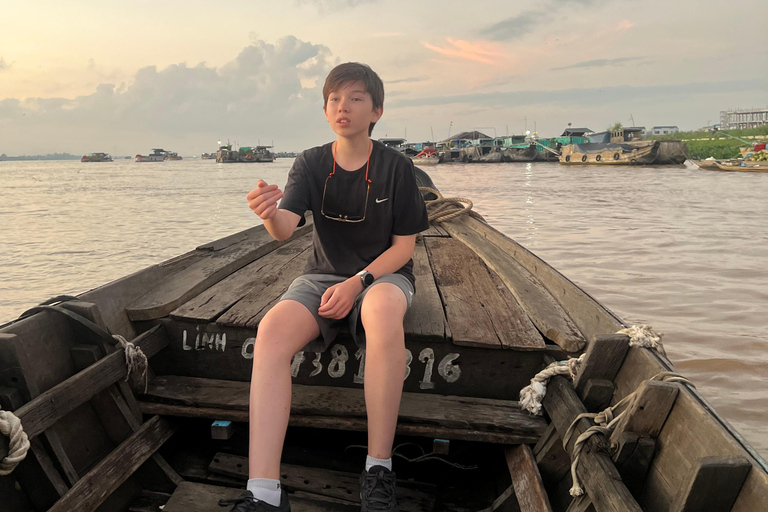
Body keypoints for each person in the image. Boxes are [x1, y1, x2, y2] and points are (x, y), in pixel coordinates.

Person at [221, 62, 429, 512]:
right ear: (324, 108)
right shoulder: (311, 163)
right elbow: (284, 229)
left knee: (379, 314)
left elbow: (404, 248)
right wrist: (266, 213)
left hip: (382, 275)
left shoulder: (397, 167)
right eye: (335, 99)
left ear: (376, 110)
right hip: (321, 277)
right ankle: (264, 491)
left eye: (355, 99)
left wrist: (358, 283)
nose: (343, 107)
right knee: (272, 331)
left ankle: (378, 469)